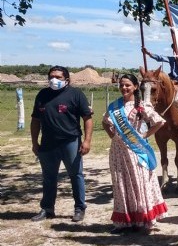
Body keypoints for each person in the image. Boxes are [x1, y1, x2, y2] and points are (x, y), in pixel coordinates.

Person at [102, 74, 168, 233]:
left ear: (135, 87)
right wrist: (113, 135)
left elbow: (159, 122)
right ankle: (124, 221)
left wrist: (145, 135)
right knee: (121, 184)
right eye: (121, 85)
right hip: (118, 152)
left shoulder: (142, 105)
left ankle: (144, 219)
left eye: (127, 85)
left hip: (136, 151)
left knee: (139, 182)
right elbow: (105, 122)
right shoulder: (114, 106)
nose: (124, 88)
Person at [30, 66, 93, 222]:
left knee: (76, 175)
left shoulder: (76, 94)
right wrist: (34, 142)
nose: (54, 80)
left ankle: (79, 208)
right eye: (51, 76)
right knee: (49, 177)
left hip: (71, 142)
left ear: (67, 80)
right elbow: (35, 120)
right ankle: (47, 209)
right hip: (47, 144)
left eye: (58, 77)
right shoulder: (42, 95)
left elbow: (87, 119)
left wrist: (87, 141)